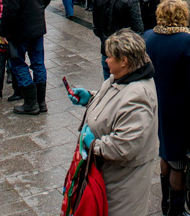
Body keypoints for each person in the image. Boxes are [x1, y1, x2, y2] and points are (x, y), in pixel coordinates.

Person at [66, 29, 158, 216]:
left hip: (122, 185)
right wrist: (90, 98)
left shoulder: (138, 96)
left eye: (109, 57)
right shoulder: (120, 78)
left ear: (124, 61)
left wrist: (94, 145)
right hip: (109, 177)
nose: (106, 60)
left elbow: (125, 146)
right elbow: (113, 104)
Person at [144, 0, 190, 216]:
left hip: (157, 107)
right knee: (179, 162)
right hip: (180, 111)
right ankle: (175, 210)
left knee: (166, 154)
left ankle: (165, 202)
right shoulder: (186, 41)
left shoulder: (148, 37)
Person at [0, 0, 52, 115]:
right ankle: (41, 101)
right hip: (37, 26)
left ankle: (30, 102)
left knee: (17, 62)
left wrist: (4, 31)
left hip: (19, 29)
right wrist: (37, 10)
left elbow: (10, 8)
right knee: (38, 62)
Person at [92, 0, 144, 80]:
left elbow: (96, 28)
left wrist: (105, 39)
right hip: (125, 55)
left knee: (109, 85)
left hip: (107, 51)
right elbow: (138, 29)